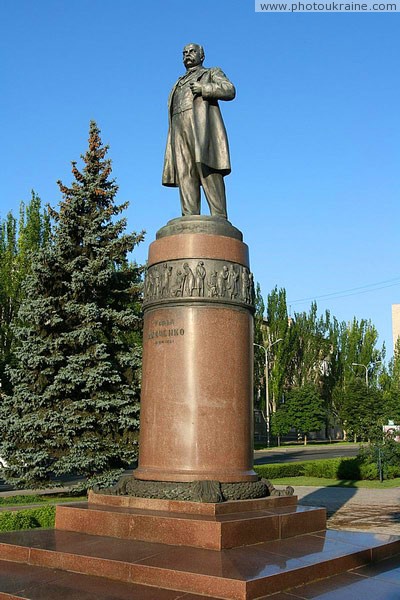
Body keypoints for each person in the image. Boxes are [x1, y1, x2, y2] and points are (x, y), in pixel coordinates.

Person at [162, 43, 235, 219]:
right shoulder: (178, 82)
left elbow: (230, 90)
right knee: (184, 170)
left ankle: (219, 216)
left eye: (192, 51)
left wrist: (205, 89)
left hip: (201, 126)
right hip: (179, 126)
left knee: (207, 167)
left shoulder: (210, 73)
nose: (187, 55)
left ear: (201, 56)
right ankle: (189, 215)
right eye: (184, 53)